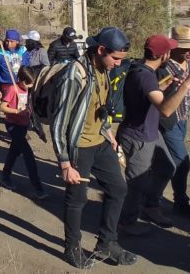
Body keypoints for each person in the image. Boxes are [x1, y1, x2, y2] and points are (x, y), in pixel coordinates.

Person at [50, 27, 135, 269]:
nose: (118, 63)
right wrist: (65, 162)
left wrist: (108, 132)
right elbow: (59, 122)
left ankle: (107, 244)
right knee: (77, 199)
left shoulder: (103, 69)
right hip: (79, 147)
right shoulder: (74, 75)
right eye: (115, 58)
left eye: (121, 59)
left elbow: (101, 105)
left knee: (118, 189)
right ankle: (72, 248)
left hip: (100, 142)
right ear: (100, 50)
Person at [117, 34, 190, 232]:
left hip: (150, 132)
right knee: (137, 181)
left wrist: (164, 87)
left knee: (166, 167)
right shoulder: (145, 75)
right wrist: (186, 85)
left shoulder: (143, 70)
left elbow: (148, 96)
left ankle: (150, 207)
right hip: (138, 135)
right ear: (164, 55)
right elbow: (165, 109)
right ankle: (126, 222)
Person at [158, 25, 190, 220]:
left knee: (164, 162)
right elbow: (160, 99)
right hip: (167, 121)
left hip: (182, 118)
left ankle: (149, 199)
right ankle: (180, 202)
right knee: (181, 161)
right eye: (187, 48)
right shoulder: (164, 67)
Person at [0, 66, 47, 199]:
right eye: (27, 83)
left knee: (14, 152)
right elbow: (2, 107)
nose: (29, 86)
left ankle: (5, 176)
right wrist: (16, 111)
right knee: (28, 156)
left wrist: (39, 131)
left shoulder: (30, 91)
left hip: (24, 125)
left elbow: (31, 112)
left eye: (31, 83)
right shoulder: (12, 89)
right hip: (13, 126)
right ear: (20, 79)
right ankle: (38, 188)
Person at [0, 29, 28, 104]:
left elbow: (26, 67)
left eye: (12, 41)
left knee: (22, 107)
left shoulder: (23, 51)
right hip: (6, 86)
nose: (8, 44)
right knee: (8, 108)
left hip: (21, 85)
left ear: (17, 41)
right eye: (7, 41)